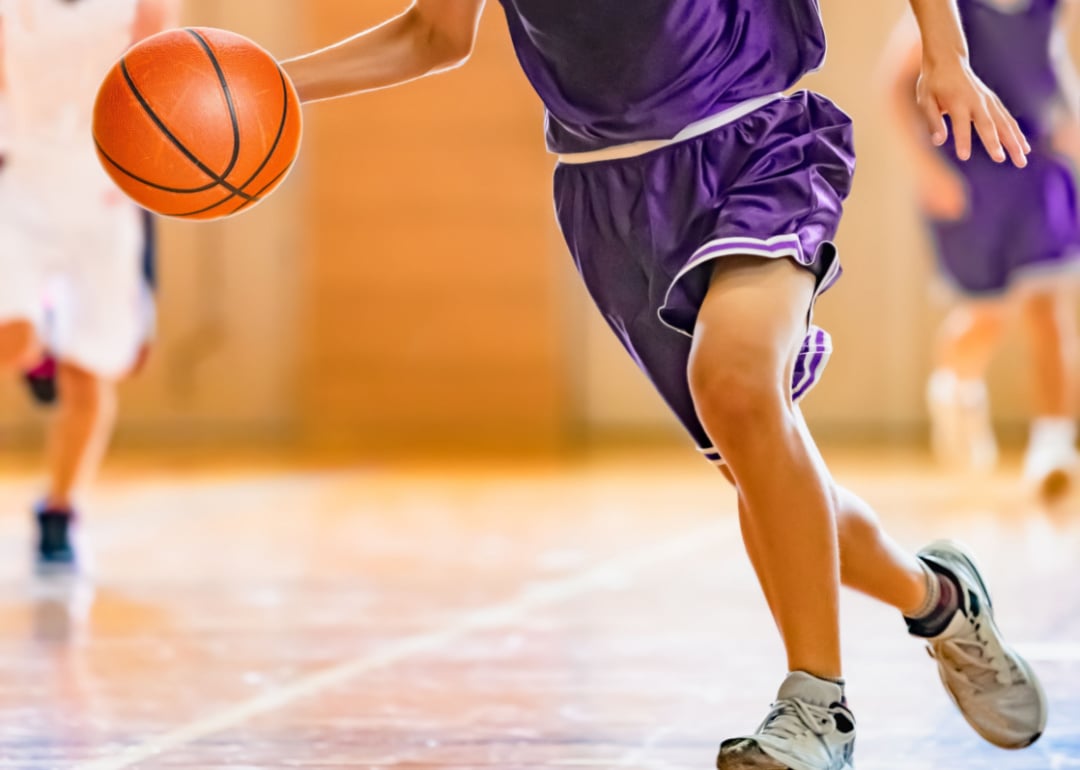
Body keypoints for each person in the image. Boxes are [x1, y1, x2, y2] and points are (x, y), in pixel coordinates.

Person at [280, 3, 1044, 768]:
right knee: (762, 461)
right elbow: (432, 35)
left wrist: (946, 55)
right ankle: (940, 599)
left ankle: (817, 707)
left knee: (739, 385)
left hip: (757, 142)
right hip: (610, 199)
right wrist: (265, 88)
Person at [0, 0, 178, 574]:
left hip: (106, 197)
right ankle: (37, 347)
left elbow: (163, 93)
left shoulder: (146, 7)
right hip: (20, 184)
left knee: (91, 371)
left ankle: (60, 509)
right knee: (12, 339)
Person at [885, 0, 1080, 498]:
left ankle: (1053, 446)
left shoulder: (1048, 8)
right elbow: (894, 85)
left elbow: (1052, 63)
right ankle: (955, 386)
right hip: (970, 174)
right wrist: (927, 168)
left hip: (1034, 166)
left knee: (1046, 308)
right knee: (988, 314)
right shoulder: (952, 11)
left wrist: (1069, 119)